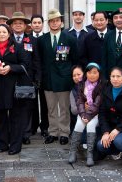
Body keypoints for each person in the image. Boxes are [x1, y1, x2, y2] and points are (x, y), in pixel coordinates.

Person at [0, 24, 29, 155]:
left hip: (14, 87)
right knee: (1, 117)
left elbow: (25, 65)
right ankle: (2, 144)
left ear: (9, 34)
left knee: (15, 117)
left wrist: (10, 68)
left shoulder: (18, 47)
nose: (1, 34)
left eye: (4, 32)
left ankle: (15, 145)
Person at [38, 8, 79, 145]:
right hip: (48, 79)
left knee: (64, 108)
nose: (54, 23)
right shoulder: (41, 40)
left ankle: (64, 133)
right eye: (52, 21)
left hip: (64, 79)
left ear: (61, 22)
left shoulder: (70, 39)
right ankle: (53, 132)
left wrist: (72, 75)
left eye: (57, 21)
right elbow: (39, 60)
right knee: (51, 108)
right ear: (48, 23)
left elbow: (75, 60)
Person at [7, 11, 41, 145]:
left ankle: (26, 134)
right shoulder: (7, 39)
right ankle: (14, 133)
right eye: (15, 23)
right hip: (10, 78)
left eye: (20, 23)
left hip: (27, 79)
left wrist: (38, 78)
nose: (18, 25)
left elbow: (37, 60)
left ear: (25, 25)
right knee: (13, 107)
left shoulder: (32, 40)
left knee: (26, 107)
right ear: (11, 26)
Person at [68, 63, 104, 166]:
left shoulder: (101, 85)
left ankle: (90, 155)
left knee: (91, 125)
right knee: (79, 124)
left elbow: (96, 104)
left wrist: (87, 116)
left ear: (99, 74)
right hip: (84, 113)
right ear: (86, 74)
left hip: (96, 114)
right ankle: (73, 152)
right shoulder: (82, 85)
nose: (92, 75)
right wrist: (83, 114)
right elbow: (79, 101)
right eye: (89, 72)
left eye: (94, 72)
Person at [30, 14, 48, 137]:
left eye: (39, 22)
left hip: (45, 75)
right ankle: (33, 126)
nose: (37, 25)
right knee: (32, 102)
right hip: (31, 76)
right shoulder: (27, 39)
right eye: (34, 23)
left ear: (42, 24)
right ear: (31, 25)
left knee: (45, 102)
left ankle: (45, 127)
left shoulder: (46, 38)